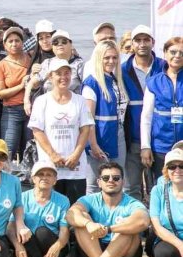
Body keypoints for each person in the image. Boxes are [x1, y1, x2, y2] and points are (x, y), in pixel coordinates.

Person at [68, 162, 149, 257]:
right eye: (106, 178)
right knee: (82, 220)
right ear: (99, 182)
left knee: (128, 227)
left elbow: (143, 221)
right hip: (92, 253)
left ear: (123, 181)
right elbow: (70, 214)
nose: (111, 181)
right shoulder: (90, 199)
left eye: (116, 178)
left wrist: (110, 229)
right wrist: (89, 224)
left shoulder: (132, 203)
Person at [28, 59, 94, 205]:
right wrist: (53, 155)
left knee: (75, 207)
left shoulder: (80, 100)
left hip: (75, 166)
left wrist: (76, 155)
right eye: (58, 74)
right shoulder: (41, 101)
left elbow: (85, 129)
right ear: (50, 77)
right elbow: (37, 130)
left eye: (67, 73)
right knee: (51, 205)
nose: (63, 77)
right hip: (50, 165)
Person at [8, 159, 72, 257]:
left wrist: (57, 246)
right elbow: (11, 226)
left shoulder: (63, 200)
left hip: (51, 244)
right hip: (30, 246)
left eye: (49, 175)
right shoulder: (22, 198)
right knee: (25, 235)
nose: (45, 177)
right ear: (33, 178)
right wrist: (17, 246)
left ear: (55, 180)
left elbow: (64, 230)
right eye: (40, 174)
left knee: (42, 232)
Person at [121, 25, 166, 201]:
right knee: (131, 187)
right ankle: (137, 226)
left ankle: (159, 225)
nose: (142, 44)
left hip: (159, 139)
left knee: (159, 186)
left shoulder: (164, 66)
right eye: (137, 40)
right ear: (131, 44)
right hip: (132, 138)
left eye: (146, 40)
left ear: (153, 42)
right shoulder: (122, 70)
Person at [82, 41, 128, 194]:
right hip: (99, 138)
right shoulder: (92, 82)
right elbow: (88, 118)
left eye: (115, 58)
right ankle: (92, 216)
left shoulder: (115, 79)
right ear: (98, 58)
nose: (111, 61)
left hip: (118, 135)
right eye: (106, 58)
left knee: (117, 179)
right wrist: (93, 145)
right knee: (95, 183)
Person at [140, 36, 183, 190]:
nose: (177, 56)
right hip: (160, 146)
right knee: (162, 186)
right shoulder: (153, 82)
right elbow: (146, 116)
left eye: (181, 53)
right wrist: (145, 147)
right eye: (173, 51)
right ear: (165, 53)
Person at [24, 30, 84, 115]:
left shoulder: (79, 64)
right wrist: (26, 101)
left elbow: (88, 87)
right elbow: (32, 82)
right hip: (50, 110)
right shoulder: (47, 63)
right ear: (52, 46)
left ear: (71, 44)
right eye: (55, 42)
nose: (60, 44)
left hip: (73, 109)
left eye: (64, 42)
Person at [0, 26, 31, 160]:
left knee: (31, 149)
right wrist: (21, 86)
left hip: (31, 111)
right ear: (5, 45)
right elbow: (0, 93)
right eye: (10, 41)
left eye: (17, 40)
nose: (14, 44)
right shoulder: (1, 65)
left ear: (22, 42)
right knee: (8, 150)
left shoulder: (32, 59)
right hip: (11, 111)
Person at [147, 148, 183, 257]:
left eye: (182, 166)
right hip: (168, 239)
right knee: (165, 254)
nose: (177, 170)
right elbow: (156, 226)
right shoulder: (158, 191)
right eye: (172, 166)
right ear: (166, 171)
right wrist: (180, 246)